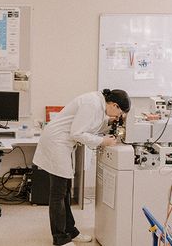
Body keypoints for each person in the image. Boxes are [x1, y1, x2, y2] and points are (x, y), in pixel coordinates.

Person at [32, 89, 130, 246]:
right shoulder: (92, 104)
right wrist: (103, 141)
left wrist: (107, 124)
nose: (117, 117)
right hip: (56, 143)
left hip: (62, 144)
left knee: (65, 190)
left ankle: (70, 231)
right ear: (114, 105)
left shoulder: (98, 104)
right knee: (58, 193)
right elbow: (77, 133)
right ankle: (60, 238)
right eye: (119, 114)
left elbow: (89, 126)